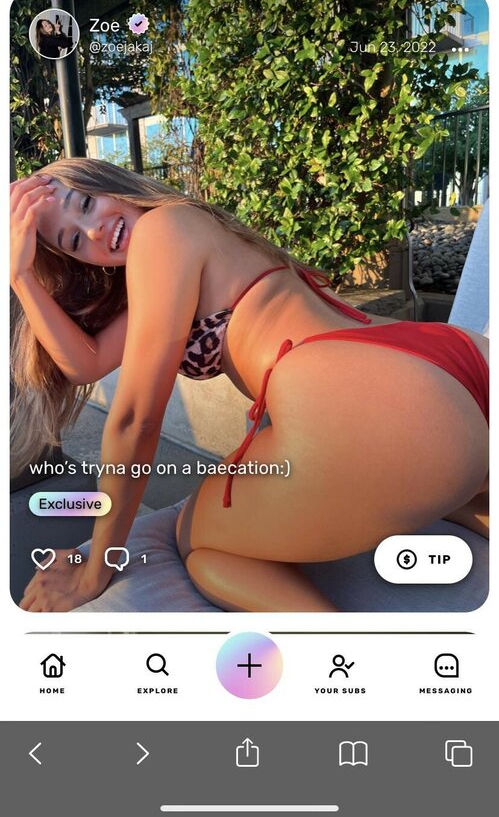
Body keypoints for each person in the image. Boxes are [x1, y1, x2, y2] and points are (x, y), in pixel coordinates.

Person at [10, 159, 488, 613]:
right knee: (449, 483)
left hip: (370, 404)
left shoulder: (160, 231)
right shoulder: (188, 232)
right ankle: (461, 494)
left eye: (85, 203)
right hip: (449, 364)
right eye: (75, 241)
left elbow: (136, 419)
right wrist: (22, 275)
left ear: (109, 183)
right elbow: (85, 363)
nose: (94, 231)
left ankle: (352, 657)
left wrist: (95, 570)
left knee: (201, 547)